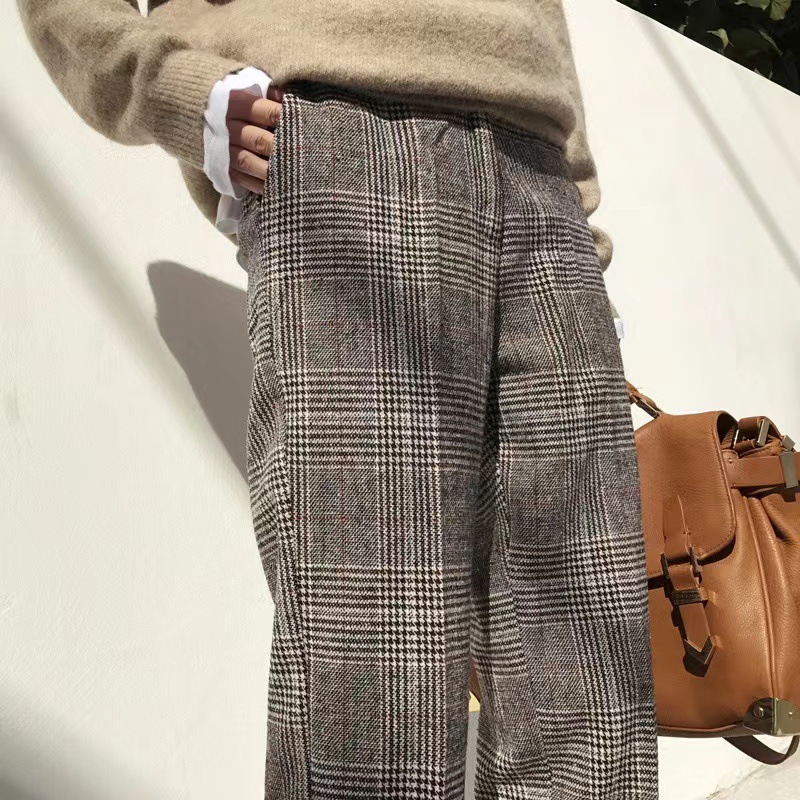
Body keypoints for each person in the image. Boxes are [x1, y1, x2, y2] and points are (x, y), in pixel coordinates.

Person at [17, 0, 660, 797]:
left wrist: (578, 213)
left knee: (589, 669)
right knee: (378, 681)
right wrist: (171, 88)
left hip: (541, 181)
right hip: (347, 136)